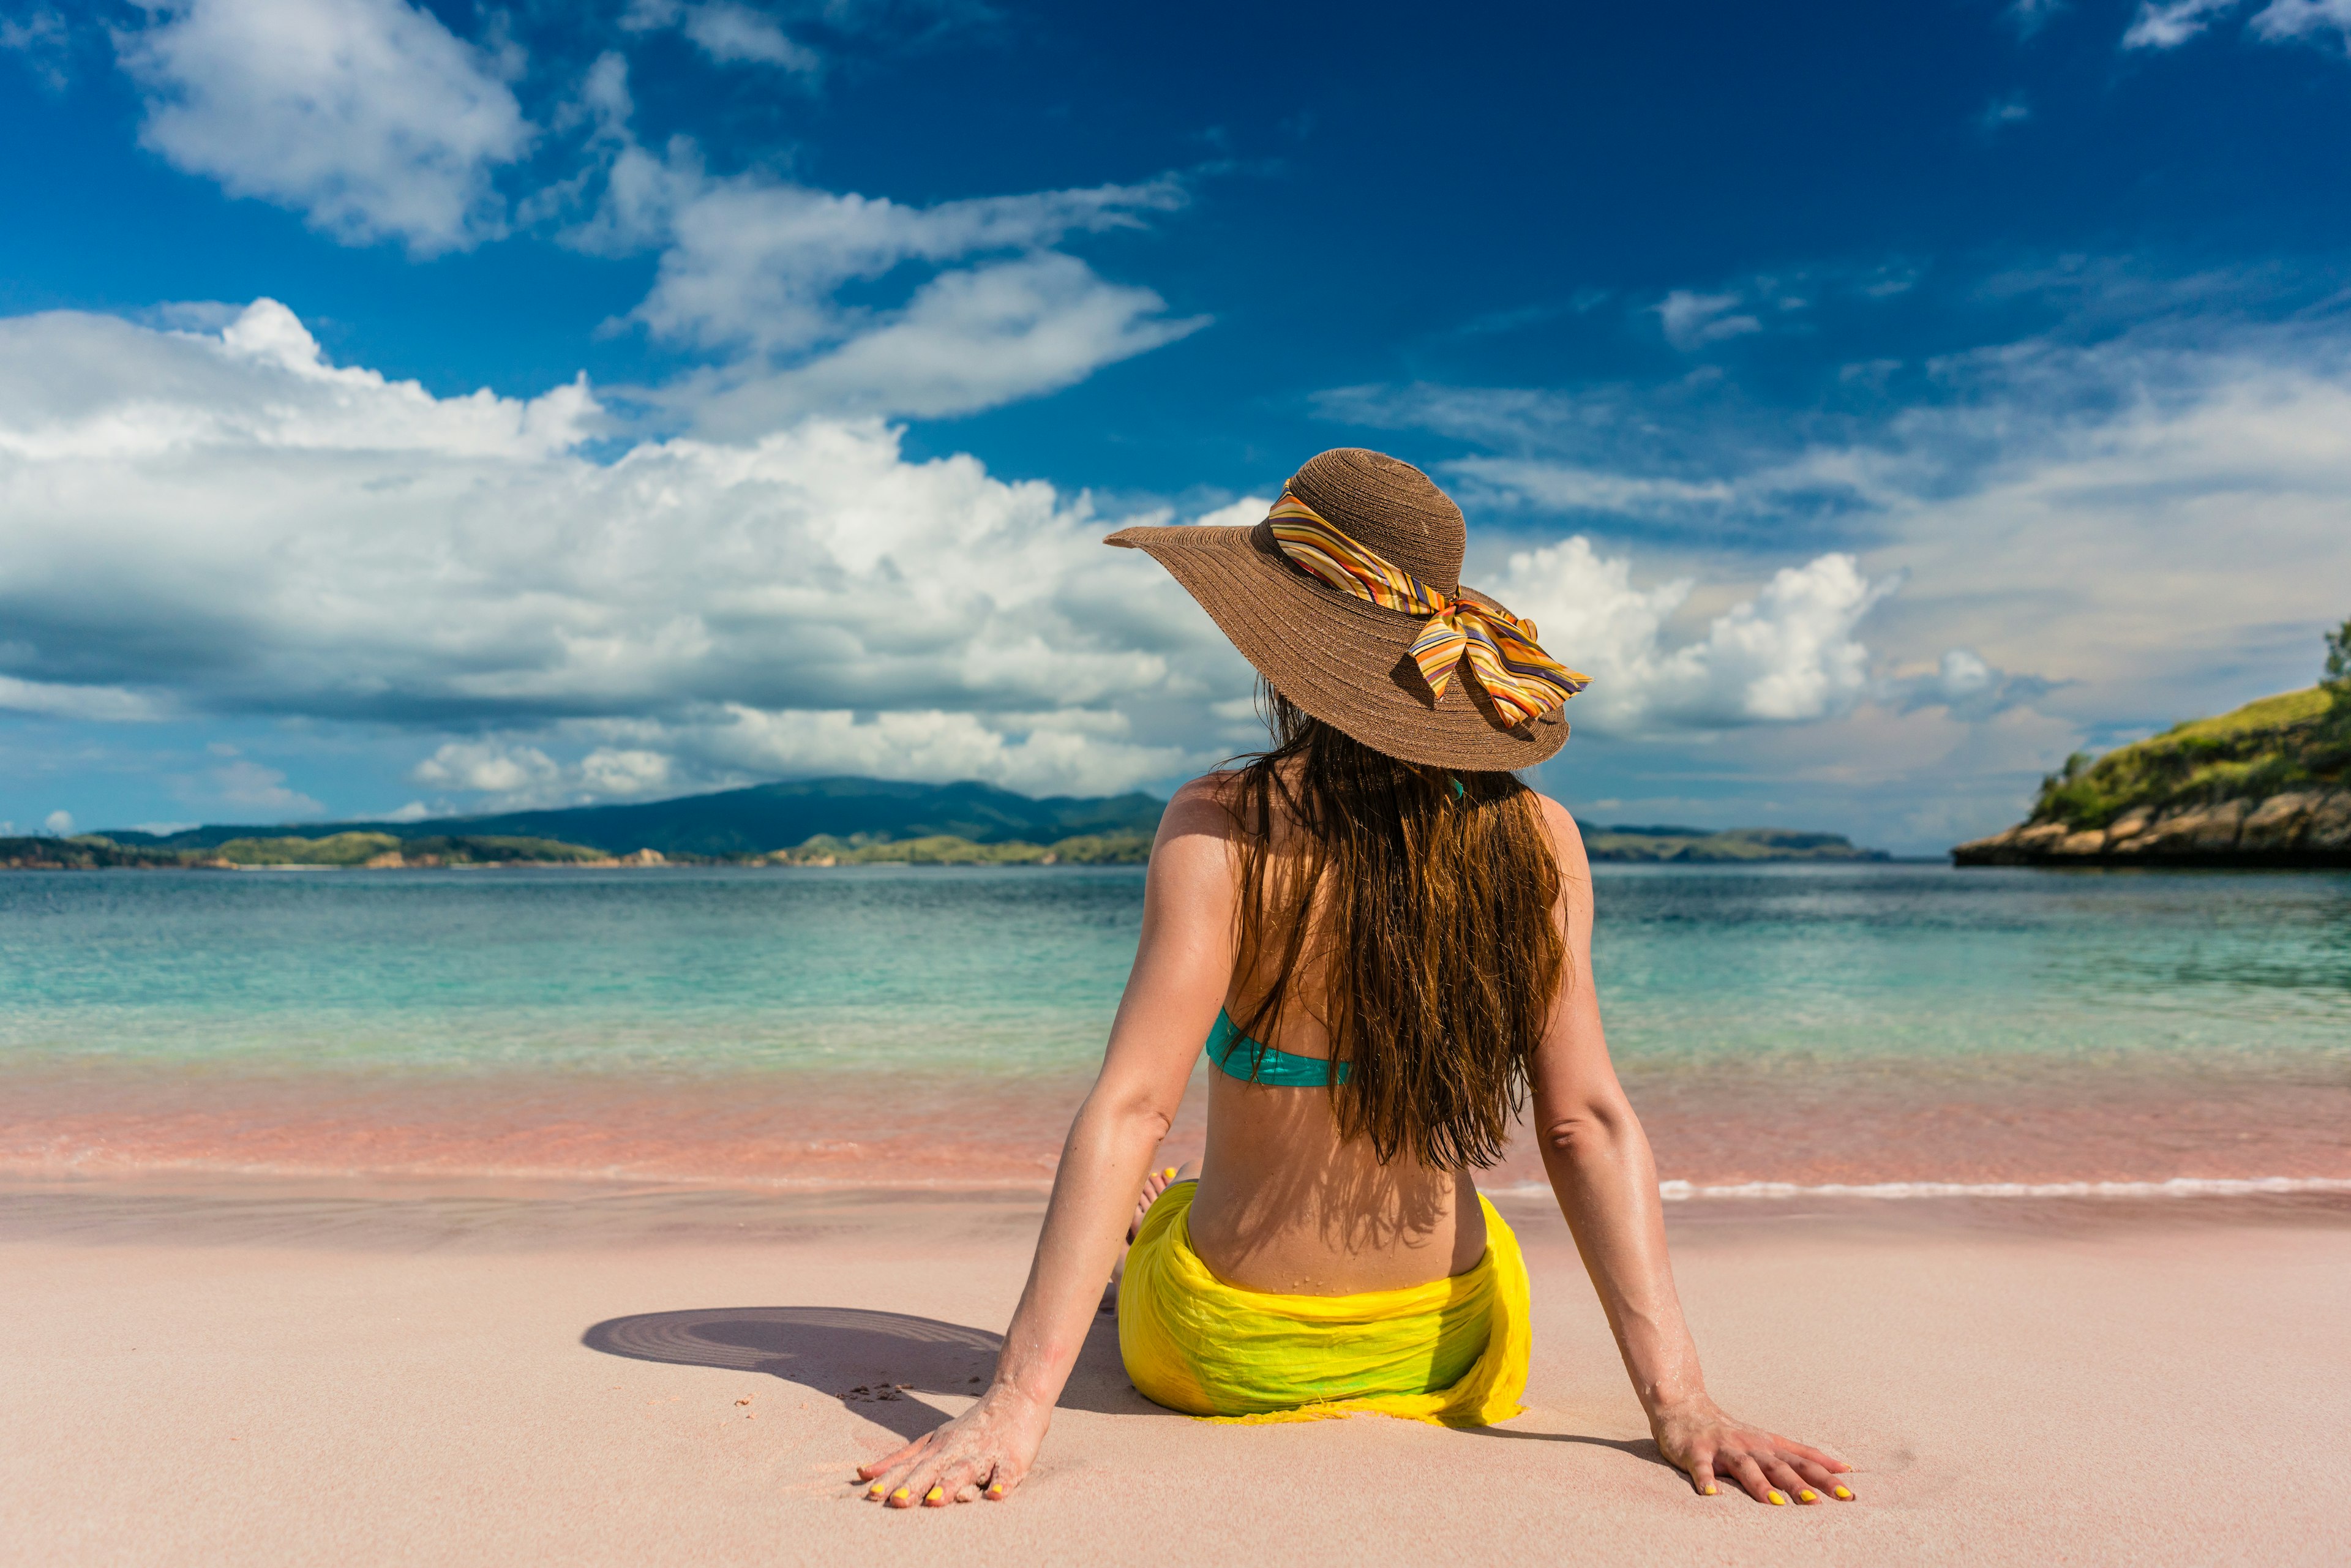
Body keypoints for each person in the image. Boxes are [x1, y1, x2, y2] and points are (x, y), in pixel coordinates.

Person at [855, 449, 1853, 1509]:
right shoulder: (1542, 841)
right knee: (1491, 1233)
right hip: (1451, 1351)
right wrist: (1685, 1405)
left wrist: (1013, 1404)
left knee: (1168, 1194)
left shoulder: (1219, 825)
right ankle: (1188, 1225)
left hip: (1216, 1350)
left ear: (1286, 650)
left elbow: (1135, 1103)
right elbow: (1586, 1125)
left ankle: (1146, 1236)